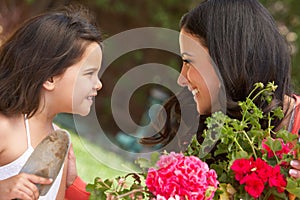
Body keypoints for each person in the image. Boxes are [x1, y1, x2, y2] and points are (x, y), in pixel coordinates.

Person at [65, 0, 300, 198]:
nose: (181, 79)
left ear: (228, 61)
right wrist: (70, 184)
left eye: (189, 61)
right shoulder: (211, 131)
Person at [0, 5, 102, 200]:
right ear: (50, 78)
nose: (98, 84)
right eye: (89, 74)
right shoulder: (5, 128)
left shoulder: (60, 144)